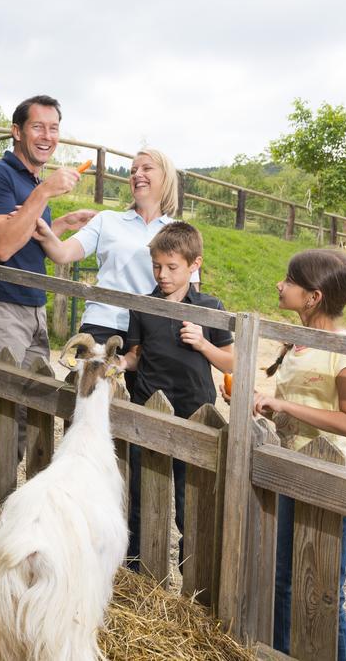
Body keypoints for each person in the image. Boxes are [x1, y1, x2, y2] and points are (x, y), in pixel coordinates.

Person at [0, 94, 95, 490]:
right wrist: (44, 196)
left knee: (25, 415)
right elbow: (2, 246)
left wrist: (63, 224)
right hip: (0, 309)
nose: (47, 136)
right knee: (1, 413)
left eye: (54, 128)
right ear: (17, 131)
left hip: (33, 310)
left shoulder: (32, 184)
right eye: (38, 127)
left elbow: (26, 241)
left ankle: (4, 500)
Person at [253, 248, 346, 661]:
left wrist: (285, 406)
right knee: (284, 581)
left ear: (314, 296)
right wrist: (264, 402)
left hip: (330, 480)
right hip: (292, 473)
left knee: (323, 593)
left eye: (289, 280)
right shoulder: (297, 342)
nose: (280, 285)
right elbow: (293, 400)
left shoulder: (342, 349)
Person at [113, 221, 234, 571]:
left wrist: (203, 342)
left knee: (189, 500)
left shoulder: (210, 307)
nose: (162, 275)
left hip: (195, 414)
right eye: (156, 266)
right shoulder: (143, 306)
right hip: (148, 410)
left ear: (194, 264)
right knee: (140, 492)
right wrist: (118, 363)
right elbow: (136, 355)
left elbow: (231, 362)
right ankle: (136, 570)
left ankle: (193, 574)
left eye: (171, 267)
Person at [32, 149, 199, 356]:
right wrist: (45, 232)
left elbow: (192, 294)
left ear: (166, 178)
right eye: (133, 170)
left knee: (146, 390)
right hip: (102, 324)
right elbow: (63, 253)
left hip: (153, 331)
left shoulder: (180, 231)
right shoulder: (107, 219)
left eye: (147, 168)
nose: (137, 174)